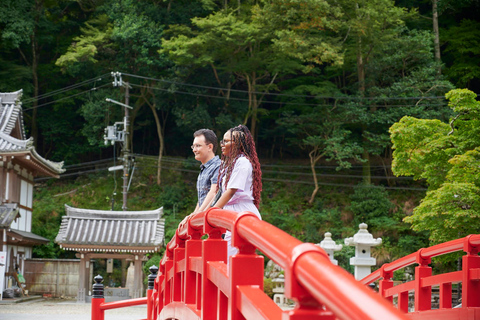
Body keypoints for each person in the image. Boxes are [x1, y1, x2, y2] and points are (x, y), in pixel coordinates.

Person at [213, 125, 262, 258]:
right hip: (231, 214)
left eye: (227, 141)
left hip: (241, 213)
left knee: (231, 261)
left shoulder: (242, 162)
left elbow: (231, 191)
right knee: (226, 261)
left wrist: (212, 213)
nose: (222, 144)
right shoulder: (229, 163)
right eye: (222, 141)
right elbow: (220, 193)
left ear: (238, 144)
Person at [180, 129, 221, 227]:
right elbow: (203, 197)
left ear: (210, 147)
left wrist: (198, 214)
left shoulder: (218, 166)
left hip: (220, 222)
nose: (194, 149)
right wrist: (192, 215)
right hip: (209, 220)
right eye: (193, 146)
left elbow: (214, 192)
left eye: (198, 146)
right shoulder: (204, 169)